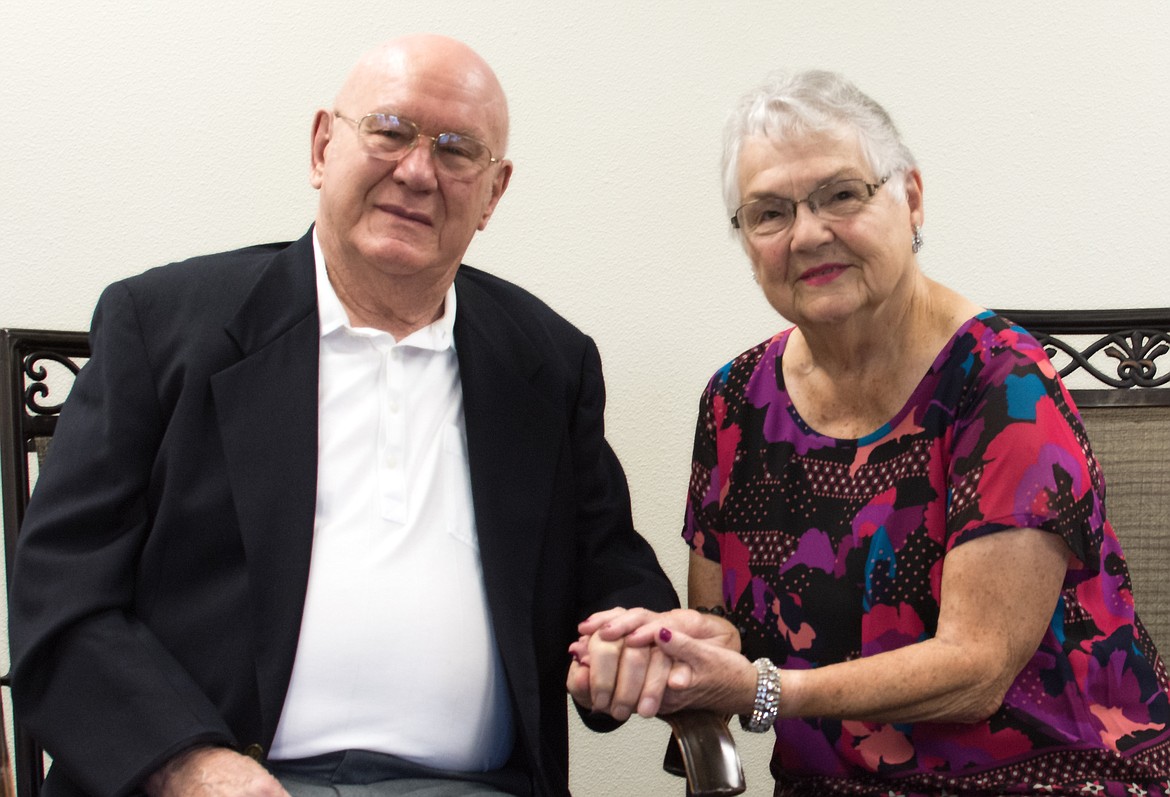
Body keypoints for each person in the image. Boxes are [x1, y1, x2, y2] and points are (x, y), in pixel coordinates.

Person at [8, 34, 677, 797]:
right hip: (213, 778)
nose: (417, 171)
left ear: (493, 193)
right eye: (390, 131)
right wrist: (187, 764)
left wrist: (638, 636)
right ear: (323, 146)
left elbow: (611, 567)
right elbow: (61, 599)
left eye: (457, 150)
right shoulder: (163, 327)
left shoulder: (547, 361)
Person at [568, 70, 1170, 796]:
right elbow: (724, 624)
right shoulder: (734, 401)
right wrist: (664, 650)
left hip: (1048, 779)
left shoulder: (1001, 383)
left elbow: (976, 672)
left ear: (911, 197)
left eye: (842, 195)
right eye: (769, 213)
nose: (808, 234)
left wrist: (762, 689)